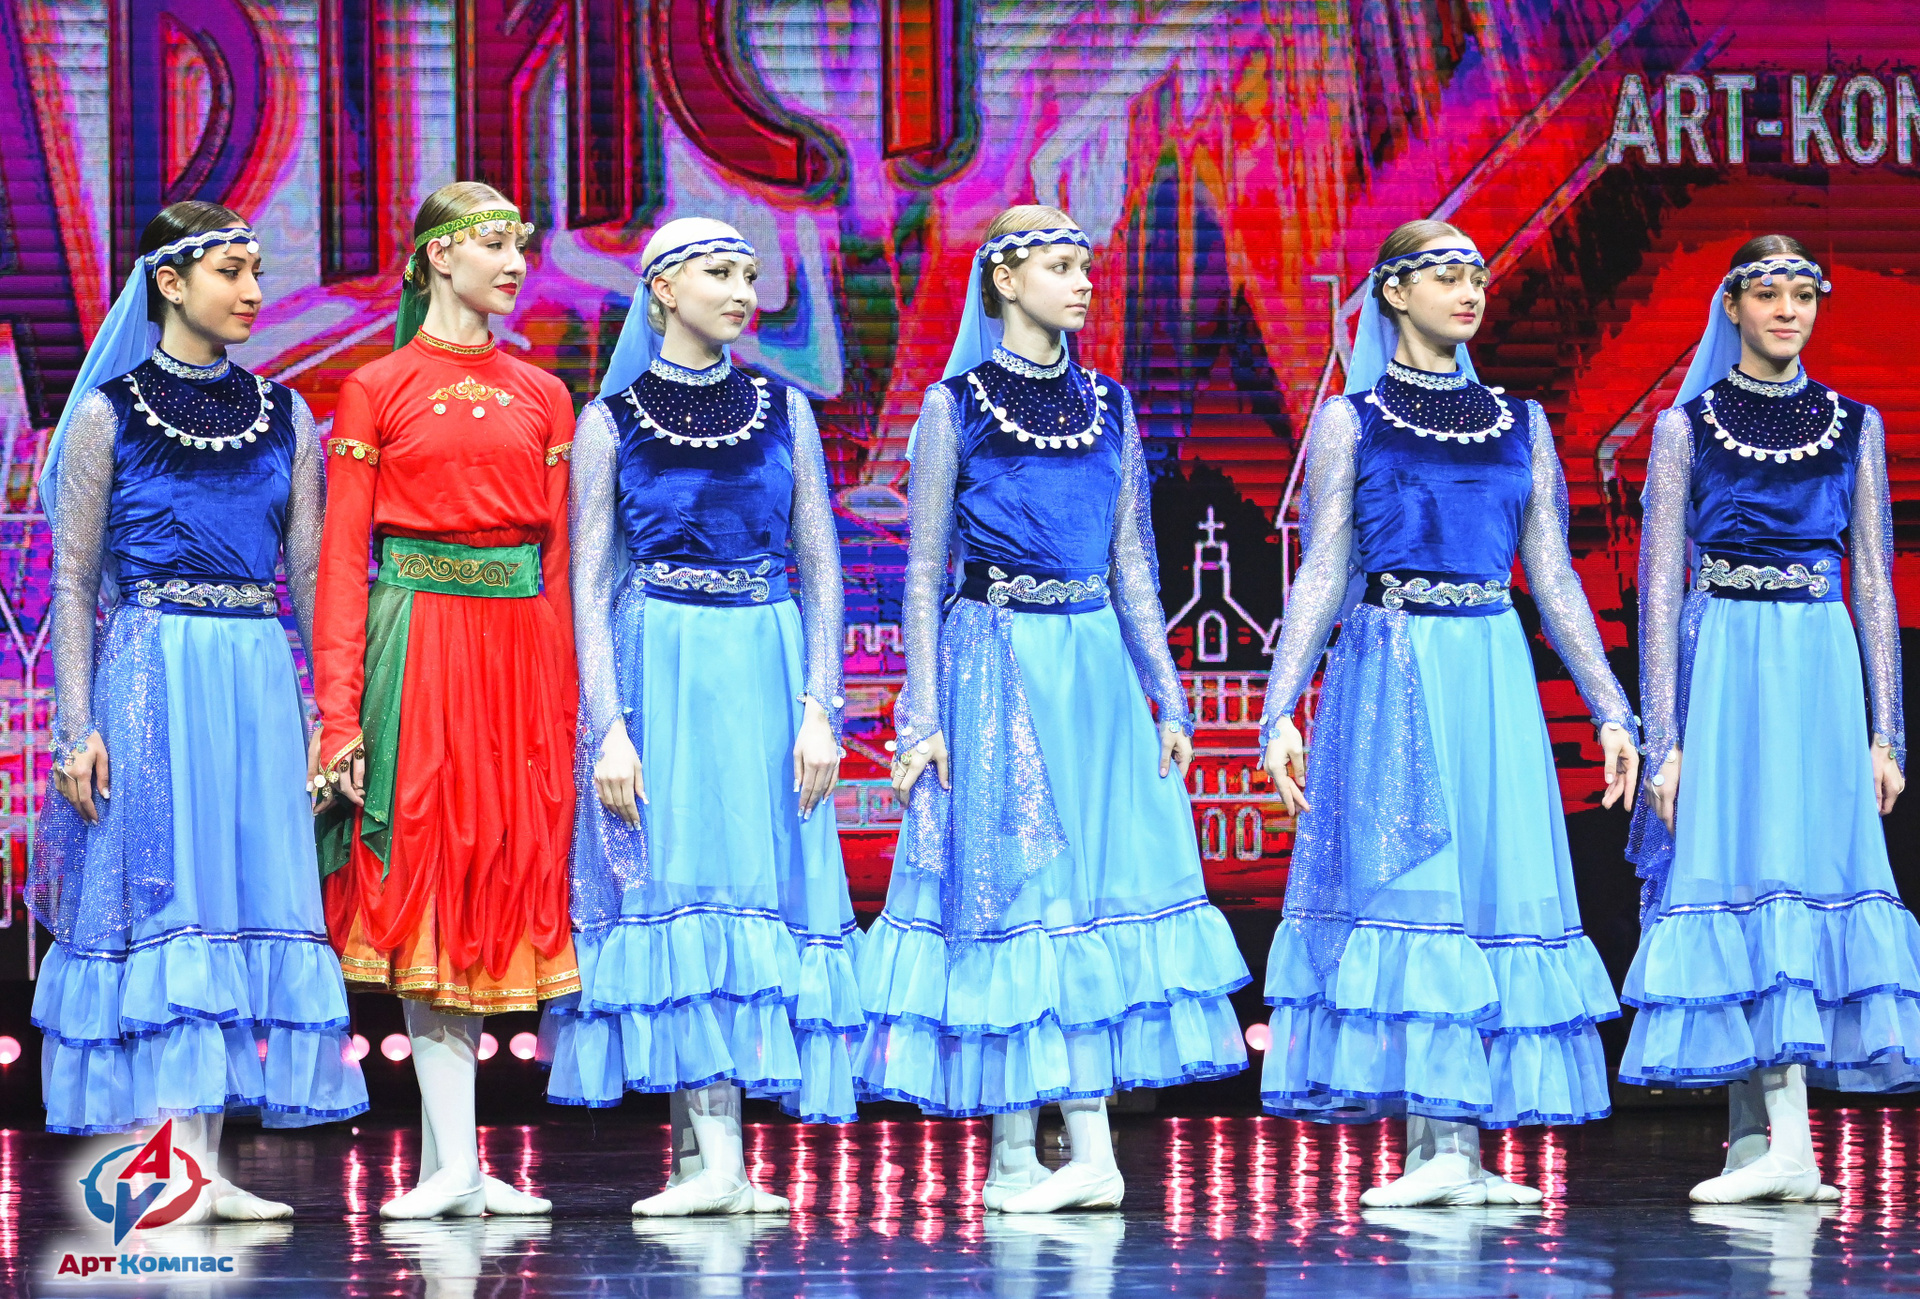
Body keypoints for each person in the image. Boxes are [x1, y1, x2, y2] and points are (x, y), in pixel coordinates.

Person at [858, 205, 1251, 1214]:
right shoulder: (954, 406)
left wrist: (1166, 693)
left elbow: (1133, 565)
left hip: (1093, 670)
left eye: (1086, 265)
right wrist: (921, 714)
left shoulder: (1110, 404)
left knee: (1078, 896)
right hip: (996, 662)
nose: (1082, 281)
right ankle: (1012, 1153)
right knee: (1011, 893)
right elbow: (923, 573)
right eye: (1061, 265)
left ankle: (1090, 1150)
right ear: (1005, 279)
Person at [1257, 219, 1640, 1206]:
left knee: (1488, 888)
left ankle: (1464, 1150)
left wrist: (1611, 707)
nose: (1469, 289)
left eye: (1476, 272)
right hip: (1394, 667)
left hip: (1492, 666)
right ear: (1393, 292)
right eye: (1445, 273)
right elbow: (1324, 571)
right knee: (1415, 884)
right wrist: (1278, 708)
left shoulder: (1521, 423)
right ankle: (1432, 1145)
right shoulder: (1352, 421)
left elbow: (1552, 574)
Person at [30, 201, 367, 1219]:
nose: (255, 291)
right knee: (172, 893)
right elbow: (73, 581)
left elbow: (309, 577)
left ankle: (206, 1163)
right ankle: (174, 1165)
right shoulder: (108, 415)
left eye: (258, 269)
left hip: (255, 672)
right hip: (152, 669)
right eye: (232, 271)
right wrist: (75, 725)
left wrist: (333, 715)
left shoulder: (286, 414)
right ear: (170, 283)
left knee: (235, 895)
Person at [541, 217, 859, 1216]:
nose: (743, 290)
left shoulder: (783, 408)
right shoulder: (611, 422)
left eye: (751, 273)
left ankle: (716, 1160)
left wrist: (821, 707)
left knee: (749, 889)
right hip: (662, 663)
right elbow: (591, 583)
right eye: (721, 272)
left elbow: (822, 563)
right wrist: (608, 727)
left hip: (761, 658)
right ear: (663, 289)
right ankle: (708, 1158)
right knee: (680, 885)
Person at [1622, 236, 1918, 1203]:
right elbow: (1658, 588)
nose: (1789, 311)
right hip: (1728, 664)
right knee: (1735, 872)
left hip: (1817, 665)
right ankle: (1756, 1137)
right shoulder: (1686, 428)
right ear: (1734, 307)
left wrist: (1887, 729)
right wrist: (1663, 739)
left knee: (1797, 871)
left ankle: (1792, 1142)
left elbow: (1873, 579)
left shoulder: (1854, 424)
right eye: (1770, 294)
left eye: (1804, 295)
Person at [310, 181, 576, 1219]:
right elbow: (343, 563)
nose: (514, 265)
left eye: (520, 246)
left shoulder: (545, 393)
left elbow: (559, 561)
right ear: (435, 257)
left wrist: (565, 703)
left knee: (494, 872)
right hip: (416, 643)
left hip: (519, 652)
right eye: (493, 244)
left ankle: (457, 1164)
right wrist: (340, 717)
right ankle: (452, 1165)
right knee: (424, 867)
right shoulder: (375, 388)